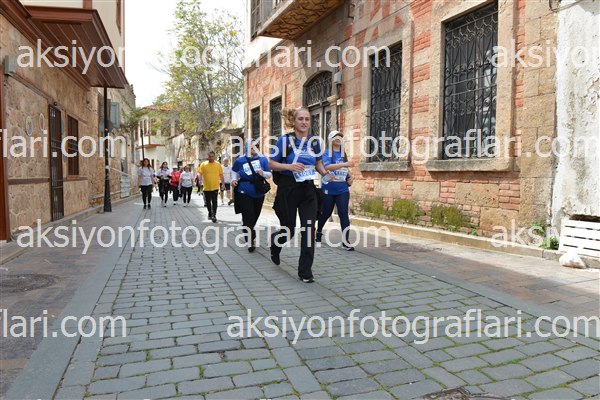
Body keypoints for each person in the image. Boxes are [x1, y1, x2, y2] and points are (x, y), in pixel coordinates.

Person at [269, 107, 333, 283]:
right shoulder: (285, 141)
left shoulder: (314, 143)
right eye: (301, 119)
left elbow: (318, 164)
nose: (304, 122)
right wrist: (289, 167)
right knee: (288, 230)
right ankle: (276, 244)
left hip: (308, 189)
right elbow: (271, 164)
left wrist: (325, 173)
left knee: (309, 229)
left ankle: (305, 272)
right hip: (288, 188)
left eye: (307, 119)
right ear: (294, 121)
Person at [316, 131, 355, 250]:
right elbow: (327, 167)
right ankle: (318, 232)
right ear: (330, 140)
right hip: (329, 188)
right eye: (335, 137)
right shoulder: (327, 153)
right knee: (326, 213)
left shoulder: (343, 154)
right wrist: (344, 164)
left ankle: (345, 241)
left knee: (343, 214)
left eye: (340, 137)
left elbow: (345, 170)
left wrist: (350, 176)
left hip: (342, 189)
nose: (338, 138)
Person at [231, 139, 272, 253]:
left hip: (258, 192)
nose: (254, 148)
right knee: (248, 215)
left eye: (256, 145)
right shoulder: (240, 160)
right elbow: (234, 171)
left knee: (254, 216)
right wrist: (234, 180)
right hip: (244, 191)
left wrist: (263, 173)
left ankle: (247, 227)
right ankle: (250, 240)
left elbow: (269, 174)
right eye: (252, 146)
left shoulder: (263, 159)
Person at [199, 151, 224, 222]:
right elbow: (200, 173)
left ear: (214, 157)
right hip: (206, 187)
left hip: (215, 186)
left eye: (212, 156)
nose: (211, 158)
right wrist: (200, 181)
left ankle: (214, 215)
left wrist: (223, 183)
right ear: (208, 156)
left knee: (214, 201)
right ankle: (210, 212)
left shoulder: (218, 164)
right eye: (210, 156)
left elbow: (221, 174)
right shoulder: (203, 164)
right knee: (207, 202)